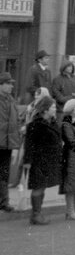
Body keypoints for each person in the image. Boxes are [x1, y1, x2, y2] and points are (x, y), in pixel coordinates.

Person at [23, 94, 62, 225]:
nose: (55, 109)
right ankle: (36, 215)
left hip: (50, 160)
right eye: (52, 107)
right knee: (38, 186)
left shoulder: (53, 122)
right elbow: (29, 144)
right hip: (38, 161)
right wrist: (27, 161)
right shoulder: (35, 124)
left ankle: (38, 213)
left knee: (43, 186)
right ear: (45, 109)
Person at [0, 73, 20, 212]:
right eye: (9, 83)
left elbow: (16, 121)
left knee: (4, 173)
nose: (12, 86)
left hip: (8, 143)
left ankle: (4, 202)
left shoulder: (12, 100)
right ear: (1, 85)